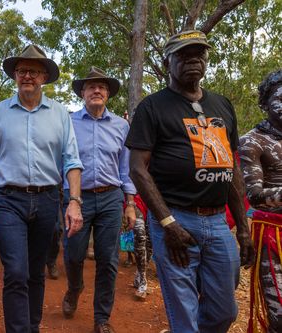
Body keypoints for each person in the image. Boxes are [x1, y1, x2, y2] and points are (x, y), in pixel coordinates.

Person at [126, 30, 255, 333]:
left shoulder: (221, 105)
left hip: (218, 223)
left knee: (225, 312)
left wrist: (244, 227)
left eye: (199, 53)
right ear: (167, 61)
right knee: (184, 315)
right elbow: (137, 169)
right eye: (184, 55)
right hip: (175, 219)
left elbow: (231, 168)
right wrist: (168, 223)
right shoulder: (152, 107)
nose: (193, 60)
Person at [0, 44, 83, 333]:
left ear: (44, 77)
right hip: (9, 200)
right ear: (15, 76)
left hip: (49, 199)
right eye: (22, 70)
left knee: (36, 272)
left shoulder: (60, 114)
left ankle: (32, 326)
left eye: (34, 72)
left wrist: (74, 201)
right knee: (15, 272)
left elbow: (71, 160)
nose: (27, 76)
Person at [61, 66, 137, 333]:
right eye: (91, 86)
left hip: (110, 198)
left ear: (107, 94)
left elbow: (125, 168)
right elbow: (62, 163)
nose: (96, 90)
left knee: (109, 259)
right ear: (82, 93)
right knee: (73, 255)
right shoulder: (67, 122)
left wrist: (130, 204)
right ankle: (74, 288)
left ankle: (101, 318)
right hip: (76, 199)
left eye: (101, 87)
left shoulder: (121, 125)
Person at [239, 69, 282, 333]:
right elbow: (254, 195)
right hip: (273, 235)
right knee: (279, 314)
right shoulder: (252, 141)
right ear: (265, 103)